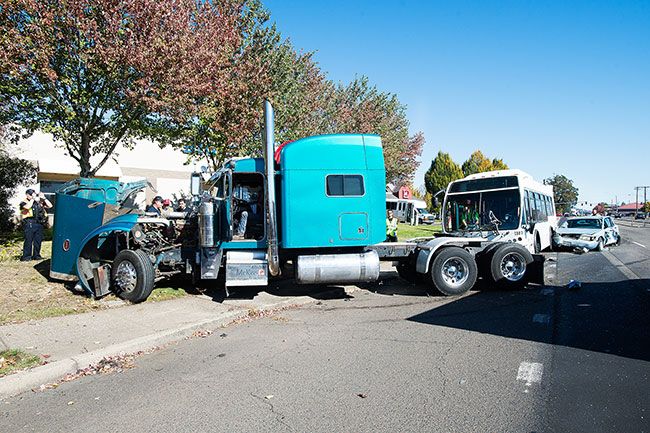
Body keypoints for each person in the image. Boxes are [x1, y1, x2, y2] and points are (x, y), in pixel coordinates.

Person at [19, 189, 52, 261]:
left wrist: (44, 198)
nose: (32, 196)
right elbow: (27, 207)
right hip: (29, 223)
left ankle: (36, 256)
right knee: (28, 240)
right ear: (27, 195)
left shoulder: (38, 202)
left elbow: (50, 206)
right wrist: (33, 199)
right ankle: (26, 257)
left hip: (39, 223)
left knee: (38, 241)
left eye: (33, 194)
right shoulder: (23, 202)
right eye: (31, 195)